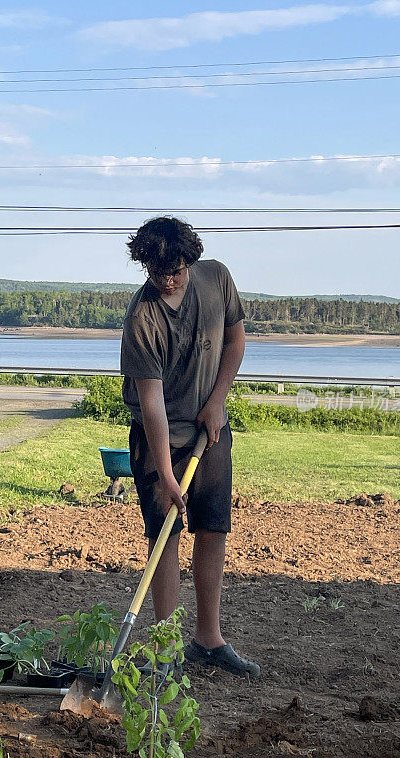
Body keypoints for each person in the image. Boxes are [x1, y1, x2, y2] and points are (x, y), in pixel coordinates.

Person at [121, 216, 260, 678]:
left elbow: (236, 342)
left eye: (175, 270)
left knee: (213, 528)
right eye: (157, 272)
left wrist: (217, 400)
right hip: (160, 437)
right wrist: (164, 470)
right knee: (165, 536)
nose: (167, 280)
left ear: (190, 259)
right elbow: (153, 407)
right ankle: (165, 650)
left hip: (209, 429)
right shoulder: (143, 319)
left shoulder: (216, 278)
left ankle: (208, 639)